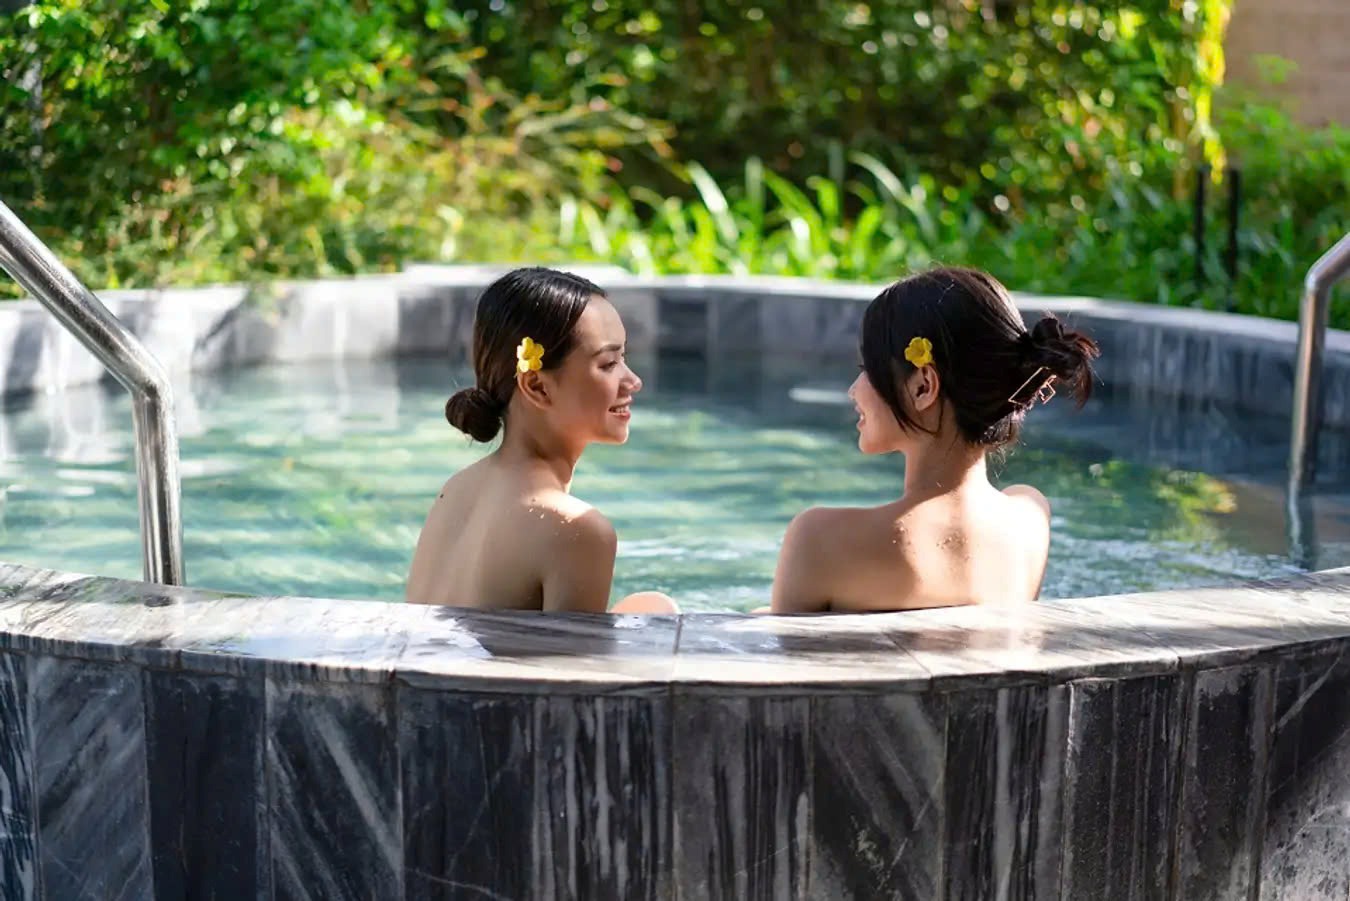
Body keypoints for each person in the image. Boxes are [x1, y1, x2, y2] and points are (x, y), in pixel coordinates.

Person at [769, 266, 1099, 613]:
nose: (854, 390)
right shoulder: (1029, 519)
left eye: (866, 369)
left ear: (923, 386)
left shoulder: (821, 541)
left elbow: (780, 641)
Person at [406, 267, 675, 614]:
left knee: (649, 607)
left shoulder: (456, 489)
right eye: (608, 364)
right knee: (660, 611)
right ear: (537, 387)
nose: (633, 381)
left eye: (623, 358)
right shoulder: (576, 530)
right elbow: (570, 654)